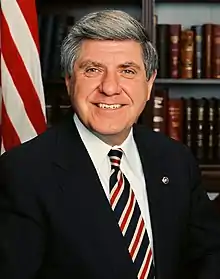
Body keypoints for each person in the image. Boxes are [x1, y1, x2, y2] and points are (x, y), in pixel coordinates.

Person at [0, 9, 220, 279]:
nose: (110, 88)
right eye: (93, 70)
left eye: (127, 71)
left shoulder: (175, 159)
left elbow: (208, 255)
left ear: (149, 84)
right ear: (69, 81)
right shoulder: (23, 171)